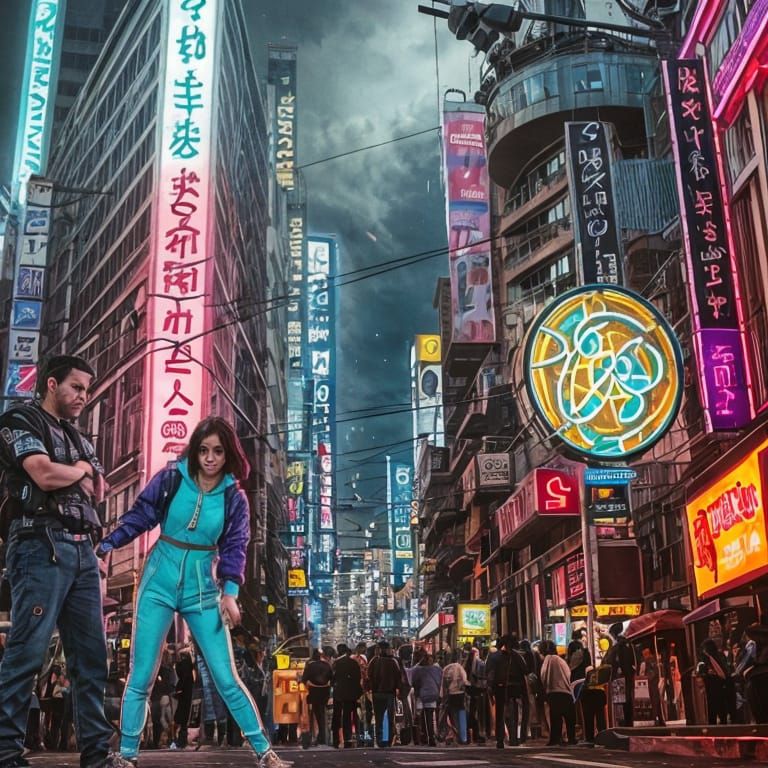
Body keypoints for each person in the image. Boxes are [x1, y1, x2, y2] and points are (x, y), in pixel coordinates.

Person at [96, 416, 291, 768]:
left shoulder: (235, 498)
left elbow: (236, 546)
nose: (210, 458)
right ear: (195, 450)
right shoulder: (172, 477)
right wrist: (108, 543)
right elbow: (141, 515)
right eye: (203, 450)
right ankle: (126, 755)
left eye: (218, 450)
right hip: (157, 580)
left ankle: (265, 752)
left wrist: (230, 592)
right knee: (142, 674)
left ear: (228, 453)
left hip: (203, 589)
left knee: (226, 676)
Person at [0, 355, 131, 768]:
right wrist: (77, 471)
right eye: (76, 387)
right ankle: (6, 751)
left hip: (82, 551)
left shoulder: (80, 440)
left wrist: (75, 470)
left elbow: (100, 488)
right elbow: (42, 474)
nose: (83, 397)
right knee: (27, 653)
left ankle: (96, 754)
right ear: (51, 384)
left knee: (92, 659)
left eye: (87, 390)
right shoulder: (21, 419)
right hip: (40, 544)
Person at [486, 635, 528, 748]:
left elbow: (489, 672)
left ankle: (500, 739)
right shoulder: (517, 656)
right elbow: (525, 670)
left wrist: (490, 688)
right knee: (513, 713)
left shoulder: (494, 656)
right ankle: (513, 738)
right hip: (514, 688)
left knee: (500, 713)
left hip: (499, 687)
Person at [539, 641, 576, 746]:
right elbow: (569, 674)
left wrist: (546, 687)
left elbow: (543, 674)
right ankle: (571, 738)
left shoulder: (548, 658)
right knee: (569, 718)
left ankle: (556, 739)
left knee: (555, 718)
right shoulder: (561, 660)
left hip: (554, 691)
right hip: (566, 692)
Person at [368, 640, 401, 747]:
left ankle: (379, 740)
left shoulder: (373, 661)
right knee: (391, 718)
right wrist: (397, 689)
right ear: (387, 649)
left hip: (377, 693)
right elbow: (398, 677)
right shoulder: (393, 662)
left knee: (379, 718)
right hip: (389, 693)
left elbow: (369, 676)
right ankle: (389, 740)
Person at [331, 643, 362, 748]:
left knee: (337, 716)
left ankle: (336, 739)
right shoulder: (354, 663)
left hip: (339, 694)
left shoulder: (336, 663)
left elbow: (332, 678)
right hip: (351, 694)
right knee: (348, 717)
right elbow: (358, 678)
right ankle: (349, 738)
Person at [604, 624, 635, 726]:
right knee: (628, 699)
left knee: (620, 701)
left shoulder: (618, 646)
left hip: (619, 678)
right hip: (628, 676)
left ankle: (623, 722)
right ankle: (629, 721)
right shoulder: (628, 643)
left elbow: (612, 661)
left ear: (614, 634)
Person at [301, 649, 333, 747]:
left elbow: (303, 679)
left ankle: (315, 736)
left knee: (314, 715)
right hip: (325, 695)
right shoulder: (327, 665)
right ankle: (323, 736)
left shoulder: (310, 666)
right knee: (322, 715)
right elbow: (332, 679)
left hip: (313, 695)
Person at [411, 653, 442, 746]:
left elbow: (413, 680)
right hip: (433, 694)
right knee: (429, 717)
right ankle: (430, 738)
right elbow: (440, 680)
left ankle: (424, 737)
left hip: (422, 695)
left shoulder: (419, 670)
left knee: (421, 717)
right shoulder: (436, 669)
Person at [699, 639, 730, 725]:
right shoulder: (717, 656)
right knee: (720, 709)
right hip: (718, 686)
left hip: (713, 687)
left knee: (714, 710)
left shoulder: (710, 657)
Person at [441, 651, 469, 745]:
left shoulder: (446, 669)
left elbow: (443, 685)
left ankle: (455, 736)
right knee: (461, 715)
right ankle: (462, 737)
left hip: (450, 695)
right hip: (460, 694)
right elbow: (465, 681)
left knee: (452, 716)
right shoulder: (459, 667)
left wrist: (443, 696)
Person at [639, 648, 665, 726]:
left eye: (644, 654)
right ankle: (659, 719)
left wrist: (647, 678)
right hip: (653, 684)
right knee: (656, 702)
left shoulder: (649, 661)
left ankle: (656, 719)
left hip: (652, 684)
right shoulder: (653, 660)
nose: (644, 656)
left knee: (654, 702)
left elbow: (651, 673)